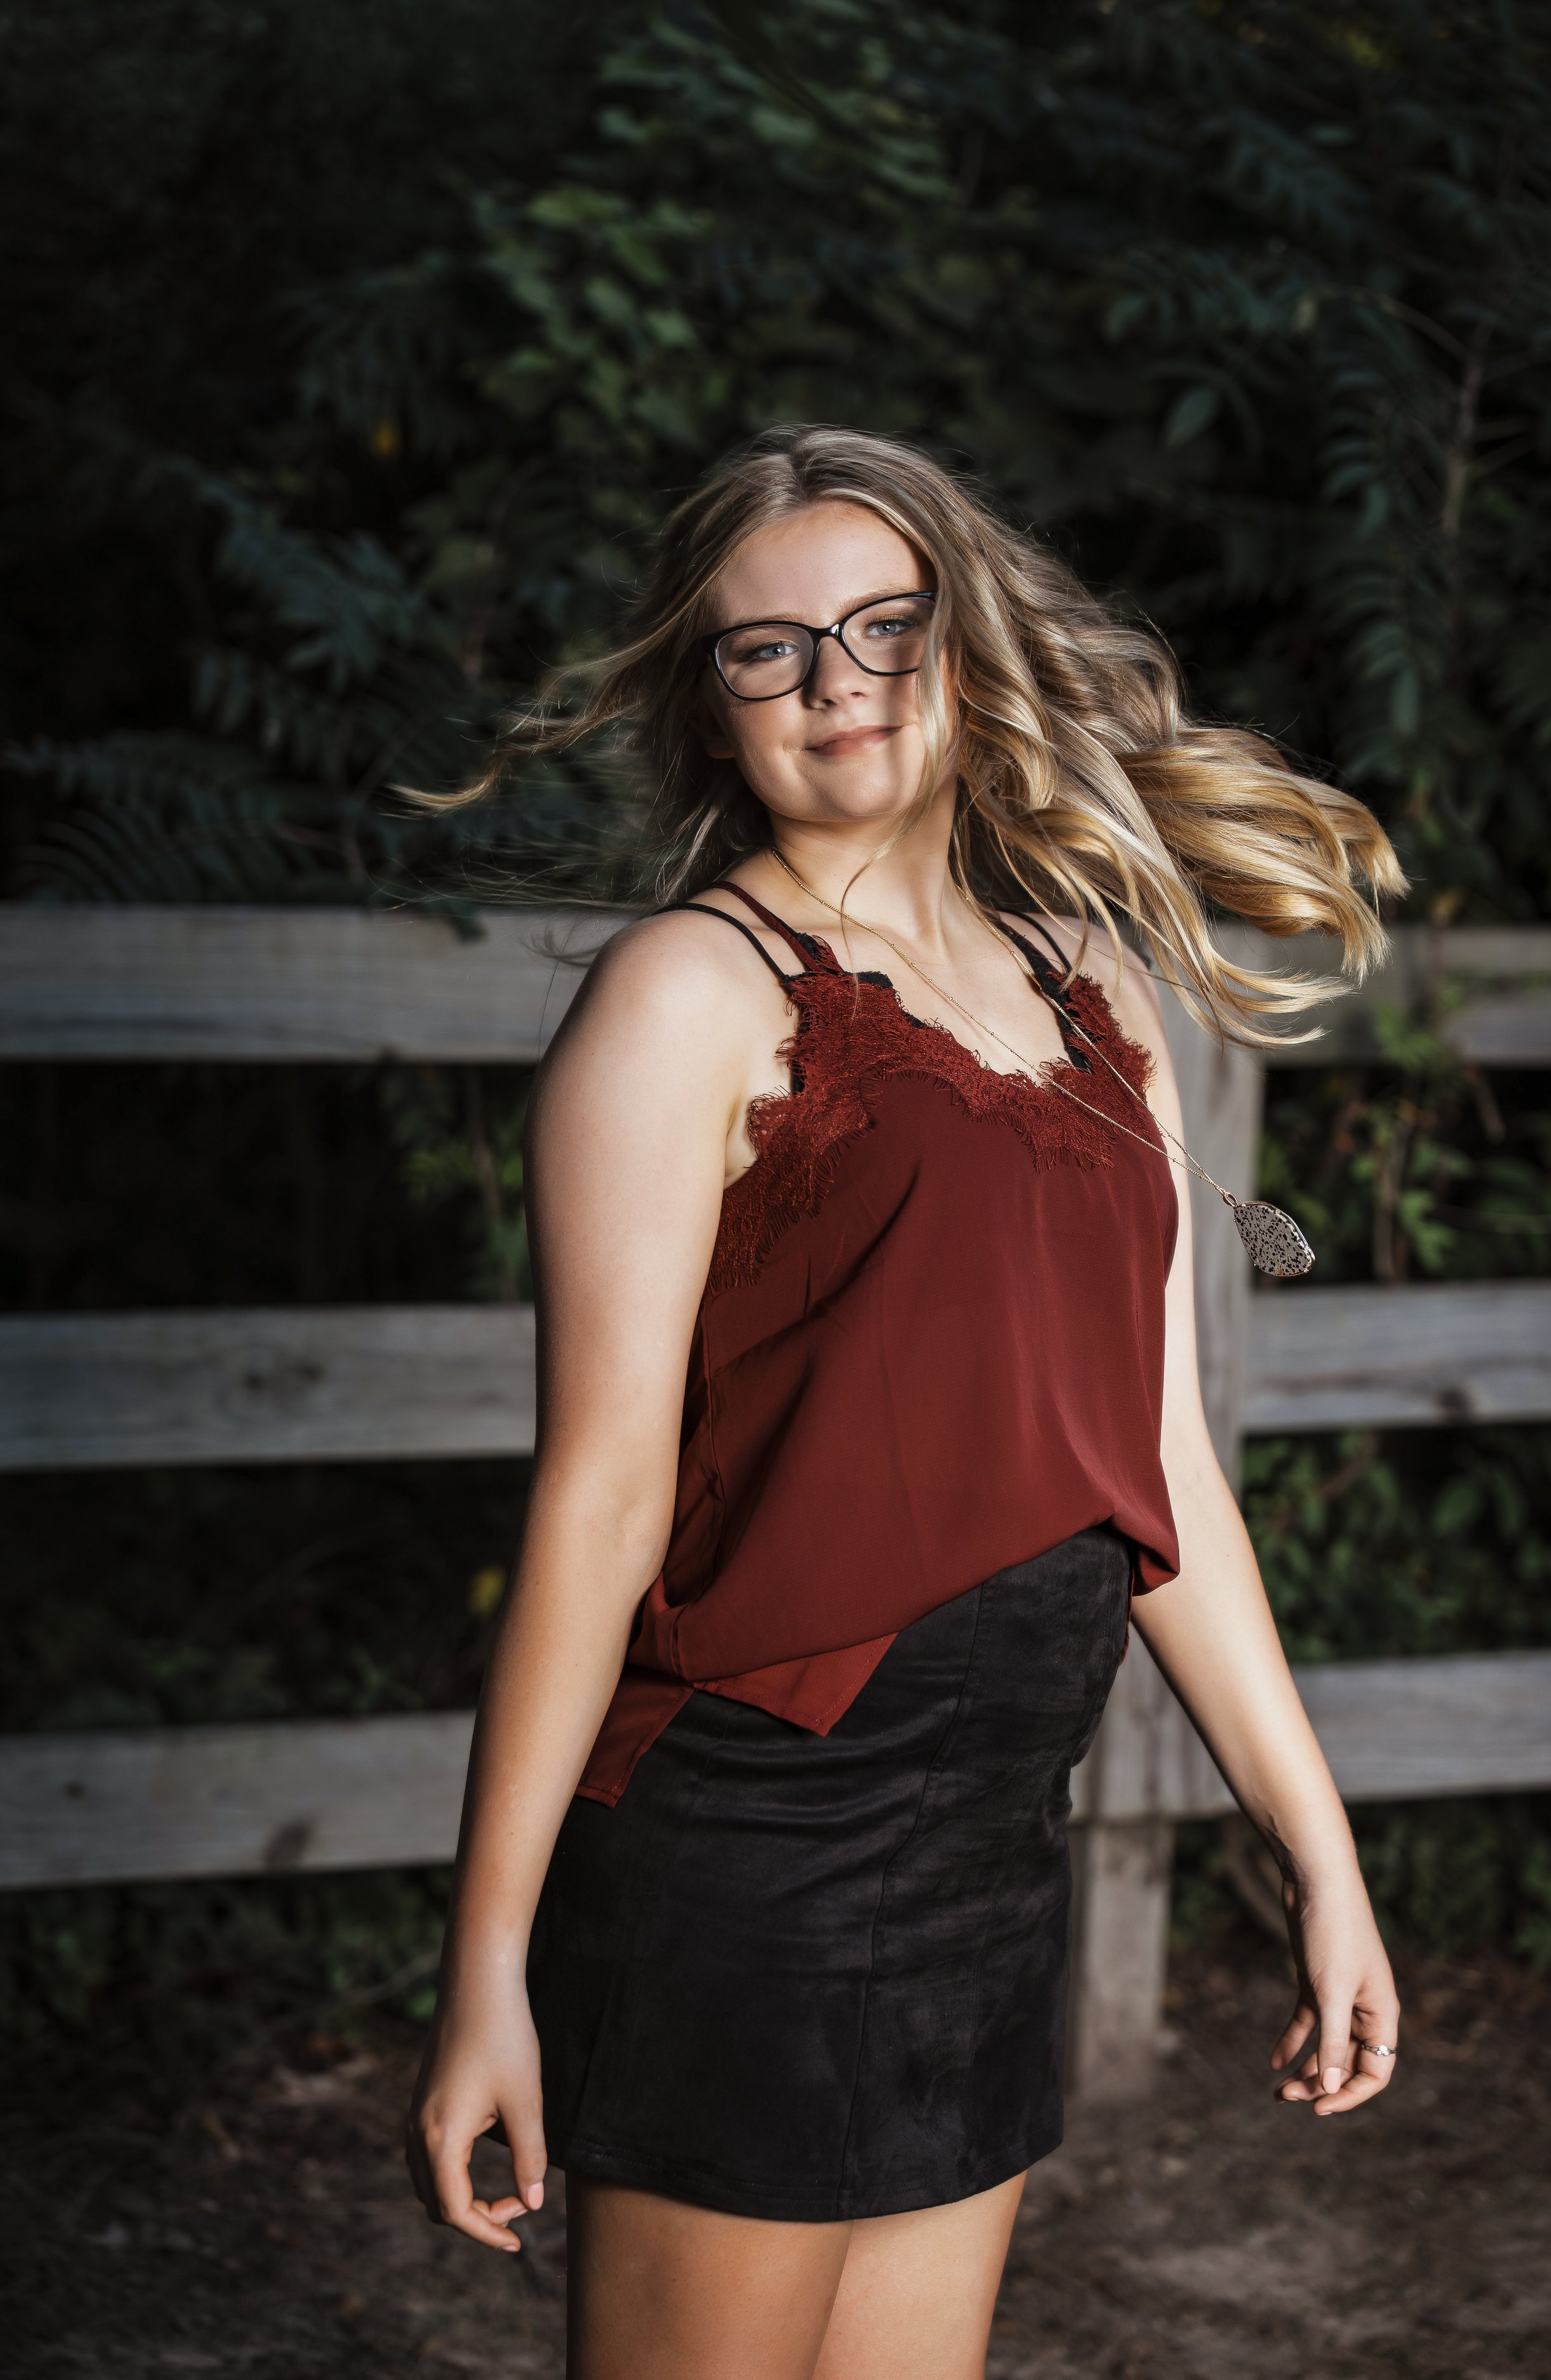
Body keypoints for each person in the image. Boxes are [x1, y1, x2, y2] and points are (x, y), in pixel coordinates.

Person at [405, 425, 1404, 2380]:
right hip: (750, 1844)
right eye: (765, 647)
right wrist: (484, 1966)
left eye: (885, 625)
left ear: (966, 647)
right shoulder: (689, 995)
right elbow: (598, 1502)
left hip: (989, 1846)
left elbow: (1159, 1465)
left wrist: (1318, 1846)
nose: (835, 679)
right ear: (709, 702)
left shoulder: (1093, 987)